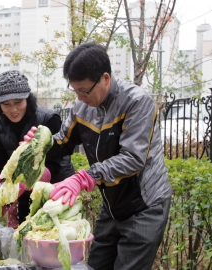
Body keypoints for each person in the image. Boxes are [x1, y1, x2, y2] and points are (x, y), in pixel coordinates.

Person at [24, 41, 172, 270]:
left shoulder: (137, 102)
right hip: (112, 202)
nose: (80, 97)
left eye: (84, 90)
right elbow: (63, 141)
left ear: (105, 78)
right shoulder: (81, 108)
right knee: (96, 264)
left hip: (144, 204)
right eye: (75, 90)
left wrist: (84, 177)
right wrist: (39, 145)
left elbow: (133, 158)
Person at [0, 70, 75, 230]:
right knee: (25, 235)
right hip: (24, 195)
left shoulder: (48, 119)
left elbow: (58, 163)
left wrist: (30, 179)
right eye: (6, 105)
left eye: (18, 102)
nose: (13, 109)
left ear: (28, 99)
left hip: (56, 193)